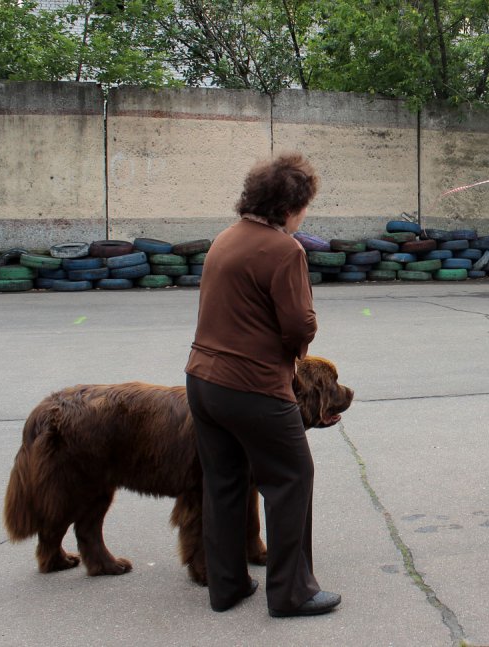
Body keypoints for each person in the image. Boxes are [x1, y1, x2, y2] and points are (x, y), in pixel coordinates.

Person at [185, 152, 341, 617]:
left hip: (201, 381)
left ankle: (227, 586)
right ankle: (292, 593)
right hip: (251, 385)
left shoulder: (225, 238)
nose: (306, 214)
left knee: (225, 483)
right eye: (306, 204)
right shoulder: (284, 248)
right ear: (290, 206)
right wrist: (299, 343)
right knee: (292, 477)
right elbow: (298, 325)